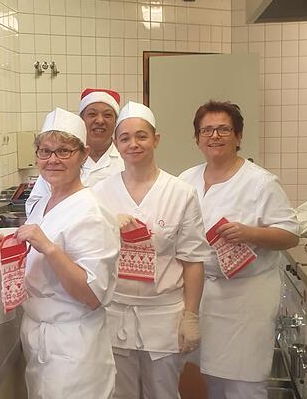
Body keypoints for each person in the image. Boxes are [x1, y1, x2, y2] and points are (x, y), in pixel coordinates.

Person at [0, 107, 120, 399]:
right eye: (45, 151)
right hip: (40, 337)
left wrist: (47, 246)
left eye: (64, 151)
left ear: (83, 155)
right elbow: (45, 243)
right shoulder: (42, 202)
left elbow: (91, 294)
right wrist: (12, 241)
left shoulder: (92, 212)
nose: (52, 160)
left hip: (73, 346)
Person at [179, 100, 299, 399]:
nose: (214, 136)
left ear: (238, 136)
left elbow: (290, 235)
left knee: (245, 383)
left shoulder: (260, 182)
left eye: (223, 129)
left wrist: (252, 234)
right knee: (211, 377)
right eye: (206, 130)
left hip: (246, 298)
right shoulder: (185, 180)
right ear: (197, 138)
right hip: (202, 295)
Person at [93, 102, 210, 399]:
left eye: (142, 136)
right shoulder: (99, 194)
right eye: (125, 138)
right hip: (114, 312)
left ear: (156, 139)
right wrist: (107, 227)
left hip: (163, 315)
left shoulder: (180, 192)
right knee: (120, 394)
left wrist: (191, 316)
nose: (133, 144)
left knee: (164, 392)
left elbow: (193, 260)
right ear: (116, 144)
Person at [26, 88, 125, 212]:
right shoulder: (57, 163)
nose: (100, 120)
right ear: (81, 120)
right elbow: (34, 206)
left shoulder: (125, 161)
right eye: (92, 114)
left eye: (108, 115)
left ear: (116, 121)